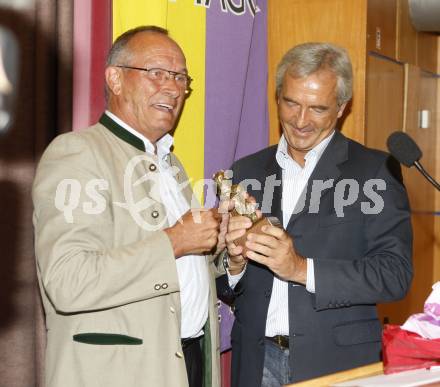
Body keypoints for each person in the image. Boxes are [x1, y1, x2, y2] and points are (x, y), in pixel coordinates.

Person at [32, 26, 225, 387]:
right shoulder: (78, 153)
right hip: (120, 372)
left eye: (180, 77)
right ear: (115, 79)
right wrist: (174, 241)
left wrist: (229, 257)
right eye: (157, 74)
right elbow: (67, 280)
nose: (172, 87)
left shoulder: (170, 162)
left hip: (190, 364)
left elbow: (180, 270)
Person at [217, 42, 413, 386]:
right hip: (254, 362)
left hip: (335, 365)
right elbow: (226, 286)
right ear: (277, 96)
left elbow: (395, 275)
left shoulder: (376, 171)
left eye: (318, 108)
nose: (301, 121)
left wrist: (301, 269)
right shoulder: (245, 171)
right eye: (291, 103)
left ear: (341, 108)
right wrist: (234, 265)